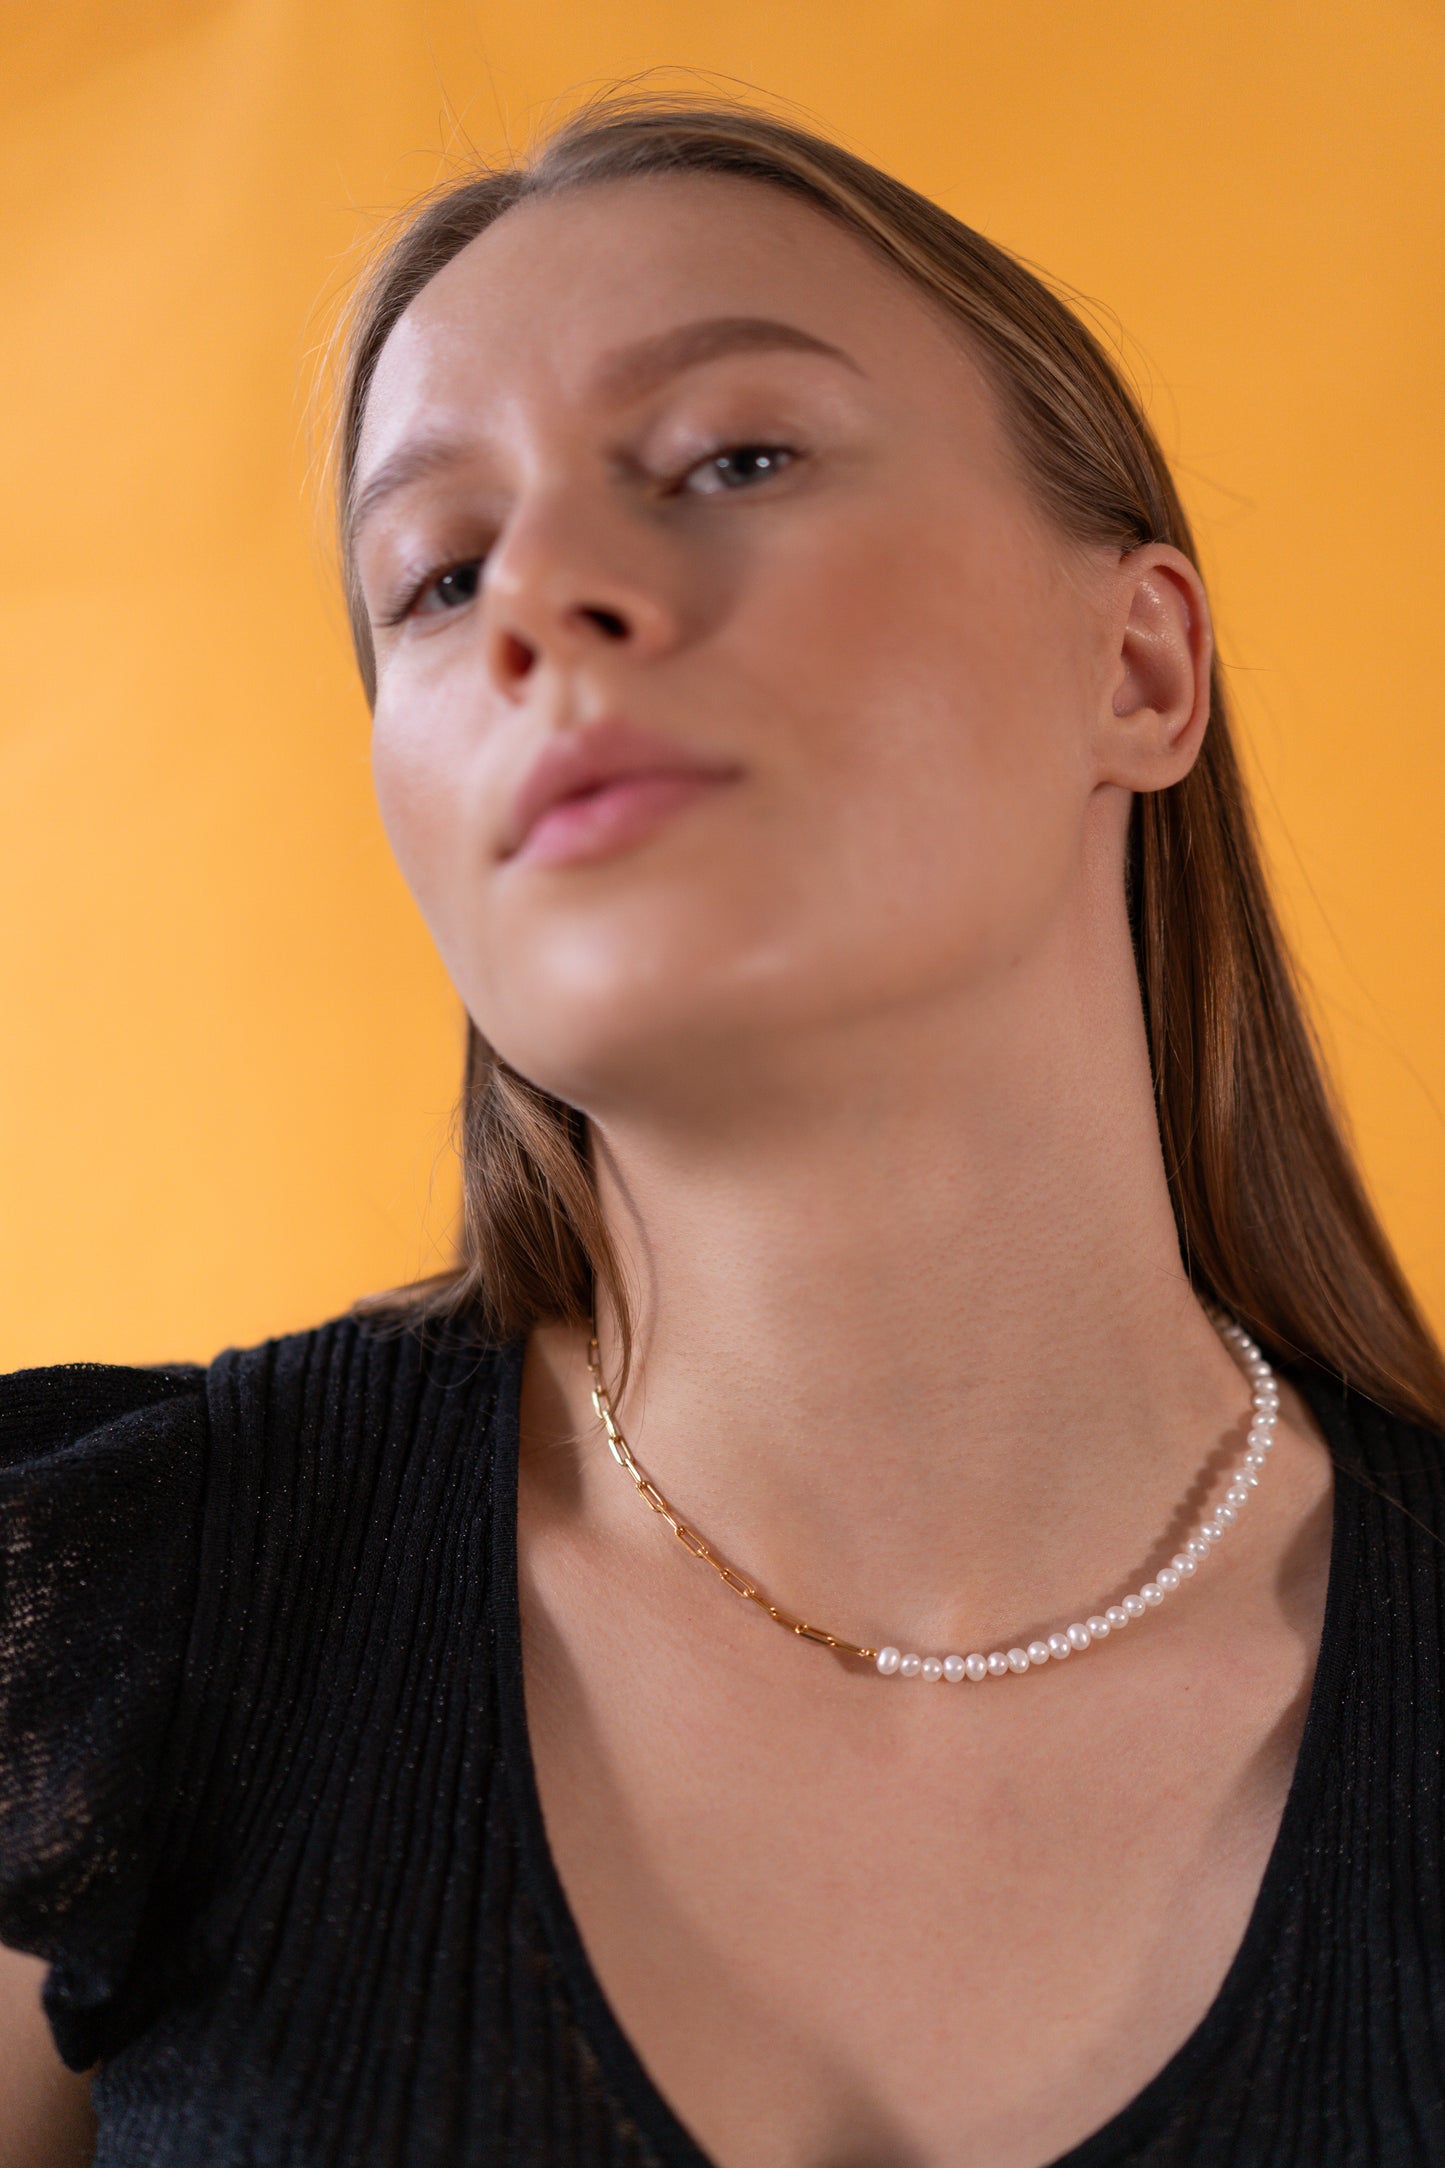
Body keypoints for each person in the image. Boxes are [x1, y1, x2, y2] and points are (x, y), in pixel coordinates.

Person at [2, 91, 1443, 2168]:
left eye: (733, 458)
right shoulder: (75, 1620)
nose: (541, 599)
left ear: (1137, 662)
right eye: (435, 573)